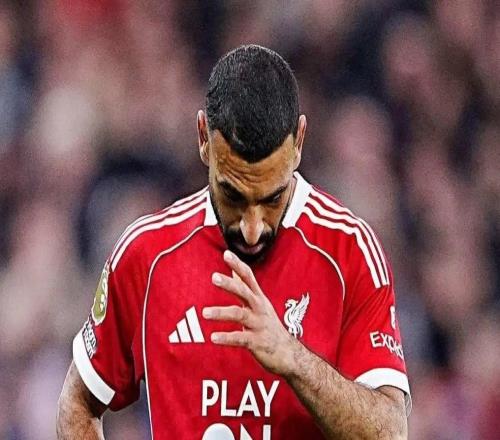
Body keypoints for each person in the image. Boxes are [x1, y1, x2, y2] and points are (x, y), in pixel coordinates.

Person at [57, 44, 410, 439]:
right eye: (233, 196)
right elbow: (78, 403)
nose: (252, 229)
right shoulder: (147, 255)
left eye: (272, 198)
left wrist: (293, 358)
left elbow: (390, 432)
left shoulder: (348, 251)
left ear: (299, 142)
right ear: (203, 137)